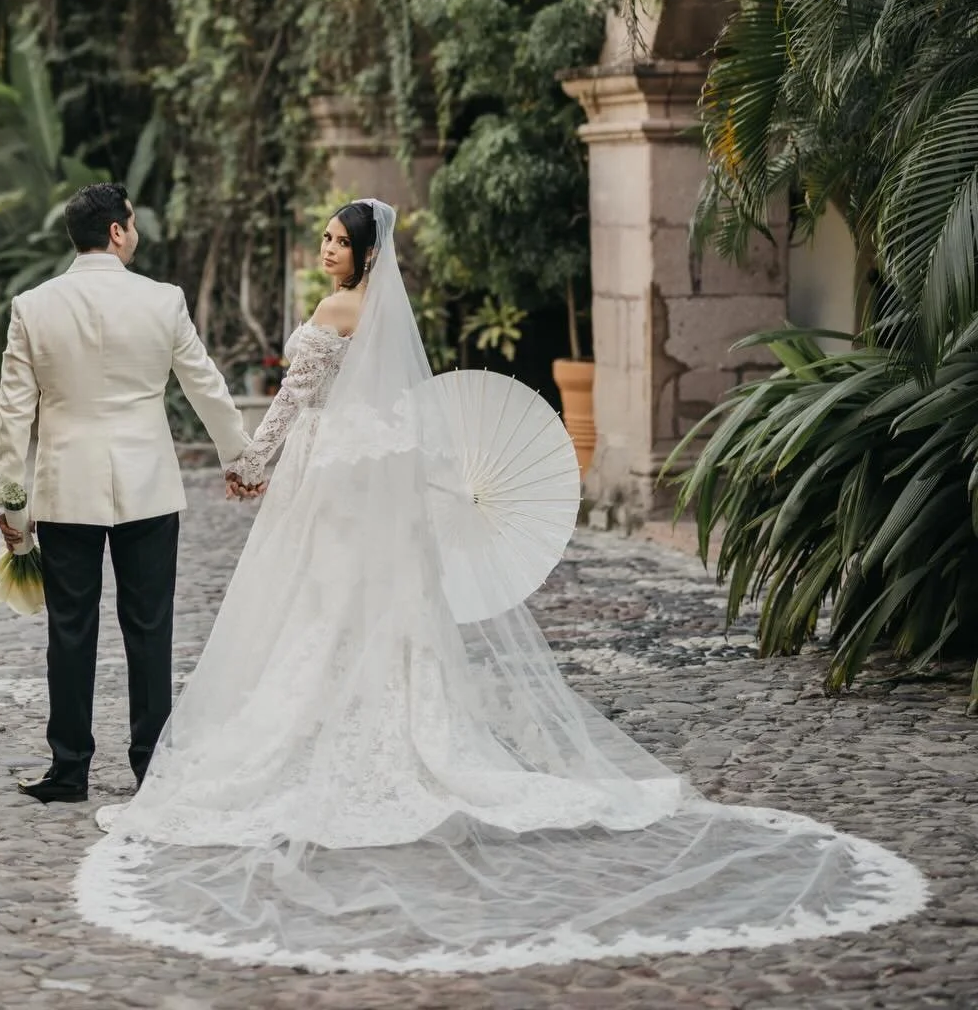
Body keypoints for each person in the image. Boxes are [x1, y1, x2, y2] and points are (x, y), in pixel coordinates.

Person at [74, 198, 927, 973]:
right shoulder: (386, 319)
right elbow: (401, 415)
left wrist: (251, 466)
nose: (327, 250)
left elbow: (293, 402)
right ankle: (386, 721)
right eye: (325, 239)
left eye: (338, 242)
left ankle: (319, 729)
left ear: (366, 254)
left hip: (328, 484)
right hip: (371, 483)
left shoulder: (334, 314)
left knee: (319, 610)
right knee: (375, 611)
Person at [0, 181, 256, 804]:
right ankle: (150, 767)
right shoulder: (163, 301)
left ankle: (68, 770)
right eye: (131, 223)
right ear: (116, 231)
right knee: (150, 627)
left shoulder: (33, 306)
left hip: (67, 487)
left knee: (70, 629)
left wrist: (11, 503)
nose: (134, 232)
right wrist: (239, 458)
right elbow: (204, 384)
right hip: (149, 487)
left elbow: (14, 412)